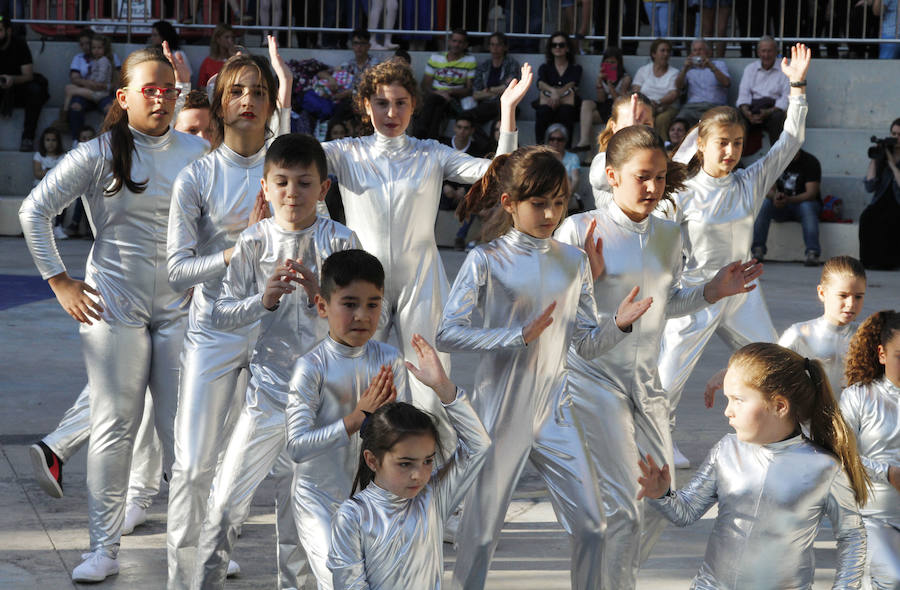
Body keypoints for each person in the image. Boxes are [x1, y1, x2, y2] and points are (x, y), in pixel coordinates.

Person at [18, 46, 208, 583]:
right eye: (149, 89)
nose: (161, 97)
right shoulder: (97, 152)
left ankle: (197, 544)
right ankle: (103, 548)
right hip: (112, 305)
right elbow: (34, 210)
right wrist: (60, 282)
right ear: (122, 98)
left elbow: (216, 226)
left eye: (168, 89)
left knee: (182, 431)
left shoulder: (197, 152)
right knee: (114, 425)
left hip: (177, 306)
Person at [555, 125, 763, 590]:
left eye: (661, 177)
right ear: (611, 175)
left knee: (662, 497)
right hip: (592, 381)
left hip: (646, 385)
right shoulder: (578, 229)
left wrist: (711, 291)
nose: (653, 188)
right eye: (642, 177)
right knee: (621, 508)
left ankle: (615, 580)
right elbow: (563, 323)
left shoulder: (670, 235)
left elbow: (662, 304)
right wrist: (585, 280)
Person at [438, 145, 652, 590]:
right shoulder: (486, 259)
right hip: (498, 414)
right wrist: (514, 337)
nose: (551, 213)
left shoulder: (573, 262)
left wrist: (619, 325)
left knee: (593, 527)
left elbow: (586, 344)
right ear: (509, 203)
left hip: (557, 411)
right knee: (478, 537)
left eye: (558, 202)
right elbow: (447, 332)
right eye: (539, 203)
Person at [321, 58, 529, 464]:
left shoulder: (432, 154)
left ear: (414, 106)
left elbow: (500, 173)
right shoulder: (345, 153)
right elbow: (287, 159)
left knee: (430, 389)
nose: (391, 113)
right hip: (363, 288)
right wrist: (284, 95)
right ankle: (357, 489)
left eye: (400, 103)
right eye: (381, 103)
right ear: (365, 106)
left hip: (423, 281)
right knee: (361, 389)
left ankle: (439, 489)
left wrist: (507, 112)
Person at [192, 134, 360, 589]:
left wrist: (318, 298)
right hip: (266, 396)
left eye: (304, 183)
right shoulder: (252, 241)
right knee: (224, 505)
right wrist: (260, 302)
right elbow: (220, 314)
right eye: (281, 182)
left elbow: (362, 320)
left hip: (324, 401)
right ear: (264, 187)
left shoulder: (342, 241)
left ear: (323, 189)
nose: (292, 193)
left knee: (300, 524)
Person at [165, 39, 294, 590]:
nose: (247, 100)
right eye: (236, 91)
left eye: (258, 92)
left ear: (272, 105)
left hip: (278, 334)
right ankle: (180, 579)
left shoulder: (290, 169)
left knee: (284, 467)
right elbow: (176, 270)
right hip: (214, 331)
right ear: (219, 103)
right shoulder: (196, 176)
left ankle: (269, 570)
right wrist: (236, 247)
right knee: (193, 466)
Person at [658, 44, 811, 470]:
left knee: (778, 366)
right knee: (666, 380)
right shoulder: (681, 193)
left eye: (738, 143)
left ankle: (775, 438)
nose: (730, 152)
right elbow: (653, 241)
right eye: (722, 143)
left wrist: (796, 86)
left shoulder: (751, 180)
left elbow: (792, 138)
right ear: (701, 145)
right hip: (697, 292)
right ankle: (656, 443)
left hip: (744, 290)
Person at [638, 342, 869, 588]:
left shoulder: (823, 468)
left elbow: (852, 536)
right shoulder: (727, 450)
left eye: (738, 400)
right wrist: (662, 494)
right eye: (728, 400)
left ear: (779, 406)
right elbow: (686, 512)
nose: (727, 411)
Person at [284, 249, 408, 586]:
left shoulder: (390, 360)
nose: (362, 315)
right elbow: (296, 447)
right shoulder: (311, 367)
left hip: (371, 502)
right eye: (349, 304)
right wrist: (358, 418)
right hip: (318, 500)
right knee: (342, 581)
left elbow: (404, 442)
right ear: (323, 306)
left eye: (373, 304)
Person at [327, 339, 491, 589]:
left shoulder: (433, 498)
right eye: (405, 464)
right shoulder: (352, 517)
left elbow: (479, 445)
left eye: (427, 461)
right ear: (372, 460)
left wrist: (443, 387)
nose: (419, 474)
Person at [840, 310, 900, 590]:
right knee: (891, 578)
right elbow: (839, 454)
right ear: (882, 353)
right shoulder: (858, 397)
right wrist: (887, 473)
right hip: (873, 517)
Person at [750, 148, 822, 265]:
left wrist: (789, 200)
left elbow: (811, 193)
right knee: (764, 204)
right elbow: (766, 189)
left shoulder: (810, 162)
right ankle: (758, 250)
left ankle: (812, 253)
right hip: (781, 206)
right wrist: (775, 196)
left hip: (802, 205)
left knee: (807, 207)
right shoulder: (774, 161)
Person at [411, 29, 476, 140]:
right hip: (434, 95)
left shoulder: (469, 60)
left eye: (460, 42)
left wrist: (449, 92)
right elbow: (425, 85)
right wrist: (438, 93)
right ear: (449, 41)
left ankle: (420, 133)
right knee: (437, 105)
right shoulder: (436, 58)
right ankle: (431, 138)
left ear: (465, 45)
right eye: (454, 41)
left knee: (436, 103)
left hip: (454, 98)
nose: (456, 44)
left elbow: (469, 89)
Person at [588, 93, 655, 200]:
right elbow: (599, 179)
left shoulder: (660, 161)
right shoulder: (602, 160)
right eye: (628, 127)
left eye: (646, 125)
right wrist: (631, 140)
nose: (640, 132)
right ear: (614, 127)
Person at [441, 114, 491, 249]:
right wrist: (444, 186)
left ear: (472, 130)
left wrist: (464, 188)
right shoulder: (443, 145)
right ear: (454, 128)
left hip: (466, 193)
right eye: (459, 127)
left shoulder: (477, 149)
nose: (462, 131)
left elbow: (479, 174)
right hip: (443, 191)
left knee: (474, 196)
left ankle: (460, 237)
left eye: (466, 128)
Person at [0, 13, 49, 151]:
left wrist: (12, 79)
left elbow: (28, 75)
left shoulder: (19, 44)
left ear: (8, 31)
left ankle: (28, 137)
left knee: (35, 90)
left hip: (17, 87)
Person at [736, 36, 790, 153]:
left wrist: (768, 112)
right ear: (758, 52)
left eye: (769, 51)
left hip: (772, 110)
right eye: (763, 51)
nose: (766, 55)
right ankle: (736, 157)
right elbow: (743, 94)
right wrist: (747, 112)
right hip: (752, 109)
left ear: (776, 52)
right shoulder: (750, 68)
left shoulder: (784, 69)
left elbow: (786, 98)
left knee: (778, 117)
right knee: (736, 116)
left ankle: (777, 157)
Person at [859, 117, 900, 270]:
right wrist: (876, 159)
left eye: (899, 135)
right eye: (894, 134)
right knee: (867, 217)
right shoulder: (883, 156)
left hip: (897, 202)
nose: (896, 138)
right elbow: (870, 186)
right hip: (880, 201)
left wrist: (892, 163)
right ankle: (868, 261)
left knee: (892, 220)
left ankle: (889, 262)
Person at [57, 35, 113, 139]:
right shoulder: (82, 58)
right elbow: (75, 78)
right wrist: (89, 83)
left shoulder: (104, 60)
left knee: (69, 90)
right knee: (74, 101)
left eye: (99, 48)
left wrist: (91, 83)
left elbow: (102, 79)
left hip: (100, 92)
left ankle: (63, 119)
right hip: (92, 90)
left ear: (105, 48)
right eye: (93, 48)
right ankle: (76, 139)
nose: (94, 50)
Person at [576, 46, 630, 153]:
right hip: (604, 105)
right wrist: (600, 82)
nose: (610, 65)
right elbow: (601, 99)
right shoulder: (602, 77)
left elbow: (618, 100)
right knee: (587, 104)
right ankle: (584, 141)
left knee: (589, 117)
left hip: (617, 106)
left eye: (613, 62)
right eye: (607, 62)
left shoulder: (625, 78)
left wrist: (610, 84)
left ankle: (589, 154)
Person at [535, 31, 582, 149]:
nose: (557, 47)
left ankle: (567, 150)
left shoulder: (575, 68)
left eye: (561, 45)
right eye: (554, 45)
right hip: (549, 103)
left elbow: (573, 83)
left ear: (567, 48)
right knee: (542, 112)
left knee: (566, 112)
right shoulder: (545, 67)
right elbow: (540, 83)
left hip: (568, 105)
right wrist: (554, 92)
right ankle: (539, 149)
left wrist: (556, 95)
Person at [629, 38, 680, 143]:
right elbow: (635, 90)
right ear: (653, 54)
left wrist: (658, 102)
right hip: (645, 104)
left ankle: (663, 146)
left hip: (667, 107)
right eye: (662, 50)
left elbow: (673, 94)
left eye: (668, 51)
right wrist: (648, 103)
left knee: (662, 119)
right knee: (642, 115)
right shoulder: (643, 70)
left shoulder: (674, 72)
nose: (666, 54)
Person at [467, 32, 520, 131]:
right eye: (492, 44)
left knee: (499, 124)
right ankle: (485, 145)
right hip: (487, 105)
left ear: (505, 47)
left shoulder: (512, 64)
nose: (495, 48)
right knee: (466, 118)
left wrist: (489, 90)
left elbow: (509, 89)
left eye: (499, 44)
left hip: (506, 104)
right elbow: (476, 94)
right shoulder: (484, 66)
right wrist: (497, 91)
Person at [674, 38, 731, 128]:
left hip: (715, 107)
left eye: (700, 49)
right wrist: (684, 69)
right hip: (692, 107)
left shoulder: (719, 64)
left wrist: (711, 66)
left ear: (709, 52)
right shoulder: (688, 68)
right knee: (679, 123)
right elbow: (678, 87)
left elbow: (726, 83)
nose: (697, 53)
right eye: (695, 50)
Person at [545, 123, 584, 212]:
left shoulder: (573, 157)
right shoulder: (544, 158)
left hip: (568, 195)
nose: (555, 142)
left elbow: (576, 180)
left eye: (560, 139)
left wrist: (567, 196)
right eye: (552, 139)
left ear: (565, 141)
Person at [197, 24, 236, 89]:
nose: (230, 41)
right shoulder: (208, 62)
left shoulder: (235, 59)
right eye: (227, 37)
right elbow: (201, 86)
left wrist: (233, 58)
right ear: (218, 39)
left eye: (232, 37)